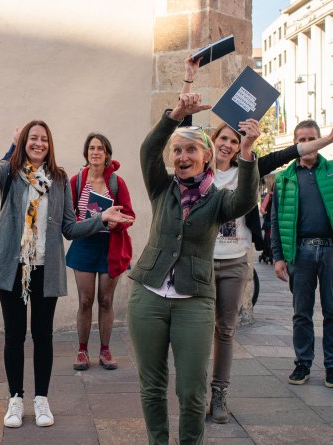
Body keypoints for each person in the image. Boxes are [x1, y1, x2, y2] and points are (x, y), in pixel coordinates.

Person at [0, 100, 133, 429]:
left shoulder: (60, 179)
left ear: (49, 145)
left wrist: (100, 219)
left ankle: (41, 399)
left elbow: (69, 227)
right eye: (32, 138)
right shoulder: (9, 173)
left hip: (44, 269)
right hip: (11, 269)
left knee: (42, 336)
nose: (38, 143)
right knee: (13, 337)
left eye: (43, 139)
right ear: (23, 144)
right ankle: (14, 399)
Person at [126, 92, 259, 444]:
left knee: (191, 390)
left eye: (190, 150)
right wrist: (174, 116)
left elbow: (245, 200)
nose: (182, 157)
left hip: (194, 300)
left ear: (206, 157)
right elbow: (147, 151)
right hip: (148, 296)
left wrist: (246, 152)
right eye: (178, 151)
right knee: (152, 385)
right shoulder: (161, 187)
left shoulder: (218, 199)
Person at [208, 117, 333, 422]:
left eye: (234, 141)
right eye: (222, 139)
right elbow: (173, 144)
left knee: (226, 330)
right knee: (200, 331)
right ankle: (198, 394)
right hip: (207, 260)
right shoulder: (201, 170)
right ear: (211, 141)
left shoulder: (250, 171)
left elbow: (285, 153)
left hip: (241, 258)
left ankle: (219, 394)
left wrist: (329, 139)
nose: (227, 145)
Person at [271, 120, 333, 389]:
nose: (307, 143)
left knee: (332, 311)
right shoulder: (285, 178)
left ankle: (331, 366)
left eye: (312, 138)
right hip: (300, 251)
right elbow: (275, 220)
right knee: (302, 313)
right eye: (302, 139)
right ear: (295, 143)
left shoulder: (331, 171)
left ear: (319, 140)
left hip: (331, 250)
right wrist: (277, 257)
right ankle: (303, 363)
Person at [67, 133, 134, 371]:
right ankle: (82, 350)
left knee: (106, 301)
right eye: (92, 148)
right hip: (84, 246)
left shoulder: (117, 183)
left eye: (100, 149)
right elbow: (68, 217)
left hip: (110, 248)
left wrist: (118, 223)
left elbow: (129, 215)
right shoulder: (76, 181)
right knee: (85, 301)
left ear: (107, 154)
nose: (96, 152)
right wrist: (82, 220)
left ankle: (105, 350)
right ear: (86, 153)